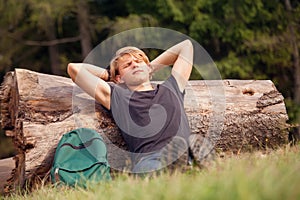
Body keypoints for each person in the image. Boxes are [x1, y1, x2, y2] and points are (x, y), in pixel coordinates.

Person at [67, 40, 196, 175]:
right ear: (119, 78)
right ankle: (178, 163)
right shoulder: (117, 96)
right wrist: (109, 75)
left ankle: (182, 161)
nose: (134, 65)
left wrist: (149, 67)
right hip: (150, 159)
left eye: (138, 61)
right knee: (155, 167)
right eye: (127, 65)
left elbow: (186, 46)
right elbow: (74, 69)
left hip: (181, 151)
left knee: (182, 154)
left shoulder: (172, 87)